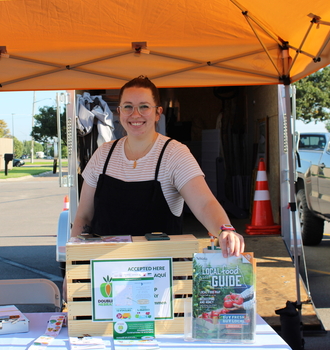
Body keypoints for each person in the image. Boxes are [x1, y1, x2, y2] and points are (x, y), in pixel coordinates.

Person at [71, 75, 244, 258]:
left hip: (161, 275)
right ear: (119, 112)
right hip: (106, 272)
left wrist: (225, 229)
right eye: (128, 107)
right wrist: (73, 264)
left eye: (144, 106)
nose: (135, 114)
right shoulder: (102, 155)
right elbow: (84, 217)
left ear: (157, 113)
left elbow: (204, 203)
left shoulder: (174, 154)